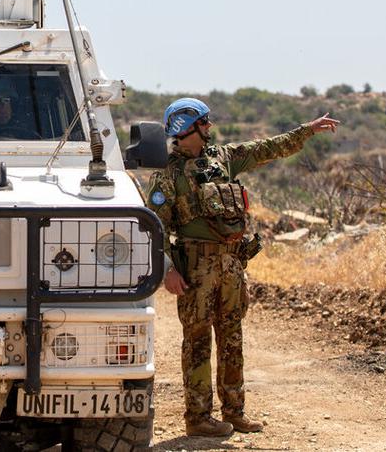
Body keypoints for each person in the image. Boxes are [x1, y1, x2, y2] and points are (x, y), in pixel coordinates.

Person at [145, 97, 339, 437]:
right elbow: (153, 228)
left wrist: (306, 130)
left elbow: (267, 148)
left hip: (231, 262)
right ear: (186, 127)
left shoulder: (223, 158)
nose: (209, 126)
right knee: (197, 341)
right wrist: (168, 269)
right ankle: (198, 418)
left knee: (232, 337)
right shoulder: (167, 175)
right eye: (204, 122)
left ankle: (234, 412)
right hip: (195, 267)